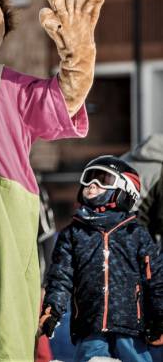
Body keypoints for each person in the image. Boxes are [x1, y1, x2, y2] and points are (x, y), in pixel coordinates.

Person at [38, 155, 163, 362]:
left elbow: (155, 278)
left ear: (124, 189)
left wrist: (159, 316)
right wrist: (52, 311)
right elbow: (61, 277)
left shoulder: (136, 234)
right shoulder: (73, 234)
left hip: (130, 328)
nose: (92, 184)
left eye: (103, 179)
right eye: (89, 178)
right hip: (90, 326)